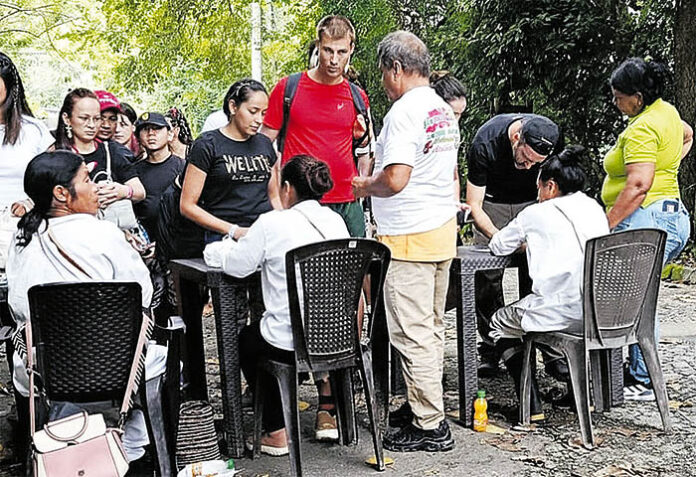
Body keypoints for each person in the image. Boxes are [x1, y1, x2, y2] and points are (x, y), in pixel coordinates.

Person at [6, 150, 163, 462]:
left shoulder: (22, 238)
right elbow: (142, 296)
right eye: (88, 180)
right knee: (161, 355)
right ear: (61, 193)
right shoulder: (104, 233)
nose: (96, 187)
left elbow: (19, 307)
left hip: (49, 372)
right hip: (117, 367)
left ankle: (61, 446)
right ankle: (132, 446)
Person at [352, 31, 459, 452]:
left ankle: (430, 425)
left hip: (410, 237)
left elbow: (396, 178)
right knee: (430, 328)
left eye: (383, 72)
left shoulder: (404, 112)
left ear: (396, 68)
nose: (383, 81)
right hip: (440, 231)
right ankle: (423, 406)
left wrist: (364, 186)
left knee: (412, 334)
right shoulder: (441, 109)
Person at [203, 155, 349, 455]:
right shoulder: (336, 220)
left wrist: (216, 250)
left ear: (287, 188)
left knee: (248, 341)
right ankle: (334, 416)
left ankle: (277, 431)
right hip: (336, 338)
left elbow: (238, 267)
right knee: (265, 335)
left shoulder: (272, 223)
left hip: (290, 341)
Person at [488, 146, 609, 419]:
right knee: (535, 317)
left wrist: (527, 241)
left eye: (539, 188)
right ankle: (580, 395)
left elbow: (498, 245)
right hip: (600, 312)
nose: (538, 195)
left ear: (551, 186)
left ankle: (530, 405)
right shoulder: (594, 207)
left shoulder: (535, 214)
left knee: (500, 323)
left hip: (559, 313)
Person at [602, 57, 693, 401]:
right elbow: (688, 134)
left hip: (646, 218)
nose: (615, 102)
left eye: (619, 97)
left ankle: (641, 378)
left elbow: (638, 185)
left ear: (637, 98)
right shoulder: (666, 112)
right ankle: (638, 371)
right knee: (641, 296)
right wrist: (668, 165)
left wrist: (606, 223)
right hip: (672, 214)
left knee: (635, 300)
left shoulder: (642, 128)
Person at [465, 112, 562, 378]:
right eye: (525, 159)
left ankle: (549, 350)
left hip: (533, 202)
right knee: (486, 279)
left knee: (538, 275)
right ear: (517, 138)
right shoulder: (485, 142)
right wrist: (497, 237)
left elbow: (557, 189)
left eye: (536, 163)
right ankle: (492, 347)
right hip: (491, 204)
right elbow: (474, 204)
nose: (529, 167)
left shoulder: (551, 138)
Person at [261, 15, 372, 238]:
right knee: (300, 260)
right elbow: (262, 147)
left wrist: (364, 183)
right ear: (318, 46)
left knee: (358, 260)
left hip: (346, 201)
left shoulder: (357, 96)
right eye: (328, 50)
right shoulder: (288, 88)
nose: (334, 60)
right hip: (301, 202)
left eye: (341, 52)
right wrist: (275, 198)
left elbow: (365, 150)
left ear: (351, 50)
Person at [180, 79, 279, 247]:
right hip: (224, 239)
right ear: (233, 107)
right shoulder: (207, 144)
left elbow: (274, 196)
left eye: (263, 113)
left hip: (265, 235)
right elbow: (187, 206)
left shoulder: (264, 143)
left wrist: (283, 223)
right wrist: (234, 230)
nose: (259, 120)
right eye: (253, 111)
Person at [0, 52, 54, 267]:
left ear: (9, 86)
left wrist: (30, 203)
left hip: (24, 228)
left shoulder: (35, 131)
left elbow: (54, 181)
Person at [54, 88, 145, 213]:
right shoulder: (55, 155)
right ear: (67, 119)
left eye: (96, 119)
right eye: (84, 118)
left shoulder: (112, 151)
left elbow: (140, 192)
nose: (91, 125)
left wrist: (123, 191)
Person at [133, 112, 185, 240]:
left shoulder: (183, 168)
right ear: (138, 137)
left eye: (157, 128)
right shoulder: (133, 173)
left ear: (170, 134)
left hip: (177, 241)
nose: (151, 133)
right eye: (145, 129)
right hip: (143, 241)